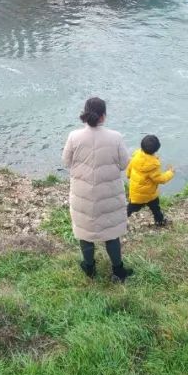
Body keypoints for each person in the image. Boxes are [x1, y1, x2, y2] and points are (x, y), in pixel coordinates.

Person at [62, 96, 133, 283]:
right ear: (103, 116)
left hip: (83, 194)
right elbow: (125, 163)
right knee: (111, 233)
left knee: (85, 232)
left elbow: (66, 162)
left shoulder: (73, 136)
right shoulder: (116, 137)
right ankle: (118, 271)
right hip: (108, 193)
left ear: (85, 113)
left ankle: (89, 268)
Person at [126, 134, 174, 227]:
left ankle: (119, 221)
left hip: (136, 193)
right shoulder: (152, 165)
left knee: (131, 208)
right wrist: (170, 173)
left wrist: (128, 176)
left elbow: (129, 170)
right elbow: (160, 179)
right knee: (156, 208)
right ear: (156, 150)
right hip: (149, 194)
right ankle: (160, 222)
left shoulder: (136, 157)